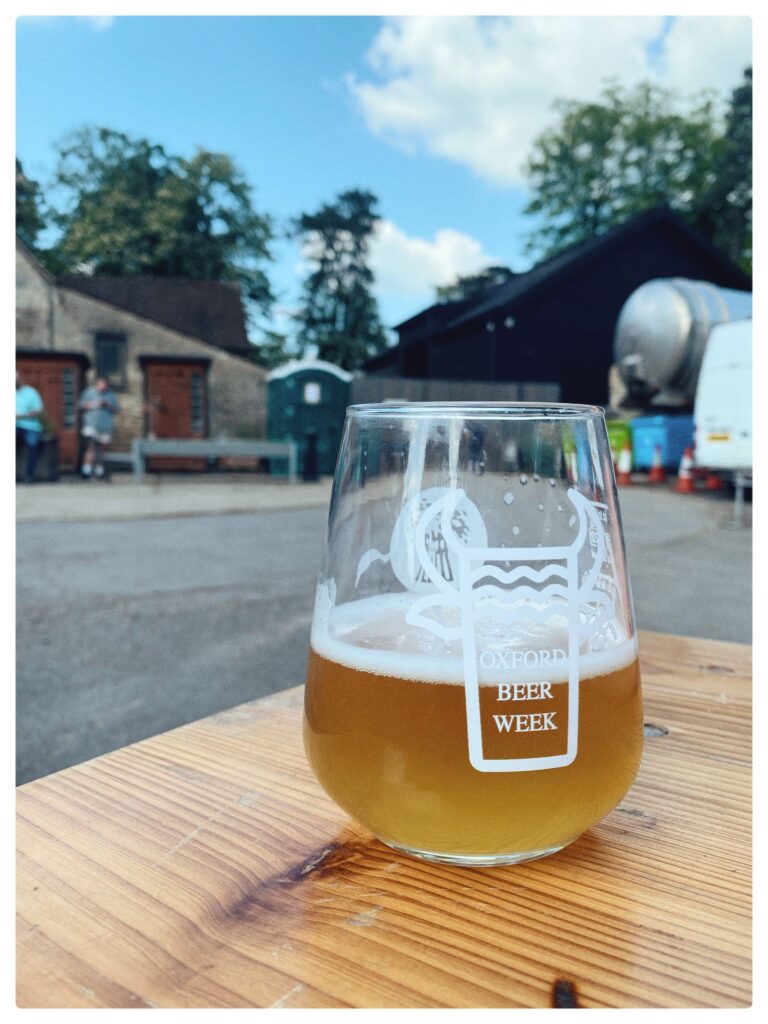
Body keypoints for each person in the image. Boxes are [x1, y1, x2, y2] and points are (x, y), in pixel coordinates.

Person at [78, 376, 120, 480]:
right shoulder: (89, 393)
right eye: (102, 384)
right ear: (97, 384)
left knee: (101, 449)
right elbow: (81, 406)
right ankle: (86, 470)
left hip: (105, 426)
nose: (103, 387)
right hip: (91, 424)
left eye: (105, 385)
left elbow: (117, 409)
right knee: (90, 447)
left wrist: (108, 405)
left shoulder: (111, 395)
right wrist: (95, 404)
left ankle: (99, 470)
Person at [15, 371, 44, 483]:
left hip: (30, 426)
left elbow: (38, 410)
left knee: (32, 445)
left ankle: (29, 474)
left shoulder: (31, 393)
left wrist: (21, 415)